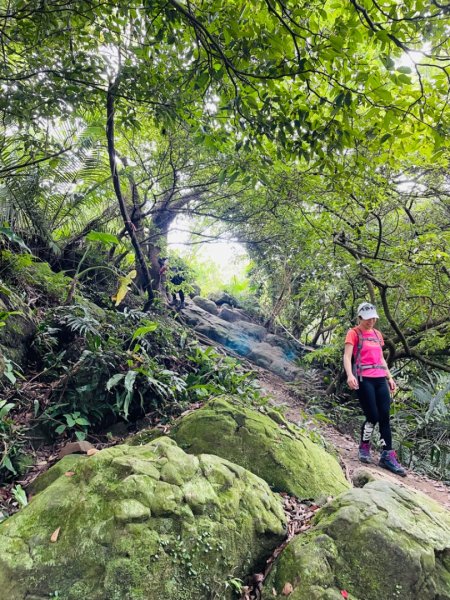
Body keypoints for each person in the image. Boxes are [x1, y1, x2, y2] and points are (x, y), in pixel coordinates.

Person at [343, 302, 406, 477]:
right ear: (360, 317)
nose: (371, 321)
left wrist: (390, 377)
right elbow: (347, 356)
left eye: (374, 318)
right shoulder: (353, 333)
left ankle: (387, 455)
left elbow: (381, 358)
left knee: (385, 417)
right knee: (372, 416)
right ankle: (364, 446)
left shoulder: (378, 335)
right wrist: (350, 375)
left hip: (380, 379)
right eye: (368, 318)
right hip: (364, 379)